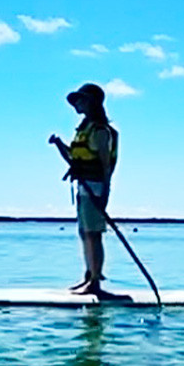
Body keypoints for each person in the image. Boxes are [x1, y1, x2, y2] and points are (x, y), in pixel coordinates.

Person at [49, 83, 119, 296]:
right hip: (83, 187)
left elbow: (106, 166)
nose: (76, 104)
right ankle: (89, 276)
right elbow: (74, 159)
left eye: (81, 100)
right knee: (84, 234)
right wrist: (59, 144)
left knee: (93, 234)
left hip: (95, 187)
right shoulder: (84, 129)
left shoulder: (99, 131)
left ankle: (96, 282)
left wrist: (105, 193)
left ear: (91, 102)